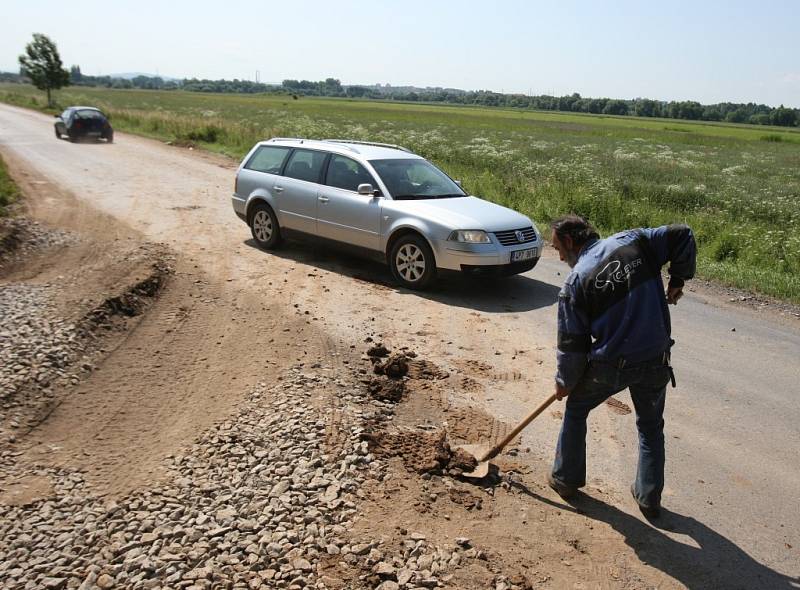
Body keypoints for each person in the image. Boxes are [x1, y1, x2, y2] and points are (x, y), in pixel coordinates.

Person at [547, 214, 696, 519]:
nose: (560, 257)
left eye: (558, 248)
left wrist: (565, 381)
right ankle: (649, 497)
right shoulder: (637, 241)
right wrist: (678, 279)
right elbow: (682, 234)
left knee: (576, 409)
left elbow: (572, 345)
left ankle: (566, 480)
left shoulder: (576, 282)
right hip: (656, 360)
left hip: (610, 366)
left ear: (570, 241)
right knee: (651, 425)